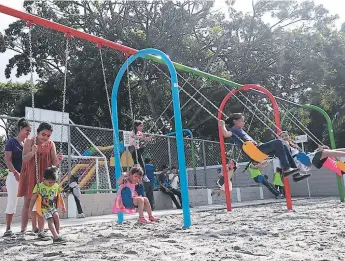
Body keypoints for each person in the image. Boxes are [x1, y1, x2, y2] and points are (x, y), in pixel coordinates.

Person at [219, 113, 310, 182]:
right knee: (278, 142)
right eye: (242, 120)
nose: (244, 122)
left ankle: (296, 174)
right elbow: (226, 134)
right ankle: (286, 169)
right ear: (235, 121)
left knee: (283, 145)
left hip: (258, 149)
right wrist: (222, 125)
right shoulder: (234, 130)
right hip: (255, 152)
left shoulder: (240, 130)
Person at [18, 122, 63, 240]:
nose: (46, 137)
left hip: (44, 177)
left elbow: (54, 163)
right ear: (38, 132)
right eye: (43, 134)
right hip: (31, 174)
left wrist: (58, 160)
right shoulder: (29, 141)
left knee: (43, 203)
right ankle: (23, 229)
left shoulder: (51, 144)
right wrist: (33, 152)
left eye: (48, 135)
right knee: (28, 202)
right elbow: (24, 159)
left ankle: (41, 230)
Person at [3, 118, 31, 238]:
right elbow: (7, 160)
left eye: (30, 131)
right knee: (12, 202)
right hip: (14, 176)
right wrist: (15, 173)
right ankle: (8, 229)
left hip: (26, 176)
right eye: (27, 130)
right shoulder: (11, 142)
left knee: (29, 201)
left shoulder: (27, 144)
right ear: (20, 128)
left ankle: (26, 228)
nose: (28, 133)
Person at [28, 166, 66, 244]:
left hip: (52, 207)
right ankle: (55, 236)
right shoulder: (39, 186)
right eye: (49, 182)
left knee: (56, 217)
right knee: (50, 220)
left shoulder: (55, 186)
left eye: (53, 182)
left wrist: (63, 206)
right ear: (44, 179)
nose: (51, 184)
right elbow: (33, 199)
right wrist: (30, 210)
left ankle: (57, 234)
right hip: (44, 208)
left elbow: (59, 196)